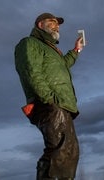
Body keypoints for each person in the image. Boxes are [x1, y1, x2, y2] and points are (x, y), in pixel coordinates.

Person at [14, 12, 84, 180]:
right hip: (49, 103)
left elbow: (63, 65)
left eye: (58, 23)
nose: (56, 25)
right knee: (60, 150)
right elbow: (30, 71)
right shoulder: (29, 43)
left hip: (62, 104)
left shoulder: (52, 50)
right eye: (52, 22)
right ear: (40, 25)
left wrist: (76, 50)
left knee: (68, 150)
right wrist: (49, 98)